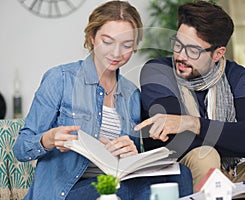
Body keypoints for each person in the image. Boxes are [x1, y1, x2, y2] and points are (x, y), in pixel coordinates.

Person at [13, 1, 193, 199]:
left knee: (180, 174)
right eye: (108, 42)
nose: (116, 53)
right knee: (117, 190)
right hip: (66, 191)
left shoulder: (132, 94)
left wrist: (131, 153)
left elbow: (125, 165)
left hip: (113, 182)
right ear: (92, 37)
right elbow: (21, 148)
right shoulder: (61, 79)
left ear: (134, 47)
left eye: (126, 45)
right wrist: (48, 139)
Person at [134, 0, 245, 194]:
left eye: (193, 50)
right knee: (205, 154)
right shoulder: (158, 72)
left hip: (237, 169)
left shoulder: (235, 74)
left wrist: (192, 124)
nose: (180, 56)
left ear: (217, 54)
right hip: (186, 171)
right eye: (178, 44)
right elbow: (176, 139)